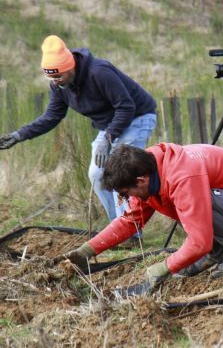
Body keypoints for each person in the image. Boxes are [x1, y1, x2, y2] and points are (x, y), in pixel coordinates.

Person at [56, 143, 223, 292]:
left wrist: (163, 267)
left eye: (126, 194)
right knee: (193, 205)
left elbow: (199, 241)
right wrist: (86, 251)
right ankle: (218, 252)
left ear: (141, 181)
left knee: (200, 200)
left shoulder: (183, 177)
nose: (126, 199)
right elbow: (130, 221)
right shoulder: (147, 170)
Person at [0, 35, 157, 238]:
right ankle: (118, 227)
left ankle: (131, 234)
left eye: (58, 76)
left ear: (70, 67)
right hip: (110, 125)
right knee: (97, 174)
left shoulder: (99, 72)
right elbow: (52, 116)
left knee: (121, 174)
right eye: (51, 78)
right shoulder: (59, 87)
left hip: (137, 118)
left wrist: (107, 137)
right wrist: (20, 134)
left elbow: (126, 107)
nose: (55, 81)